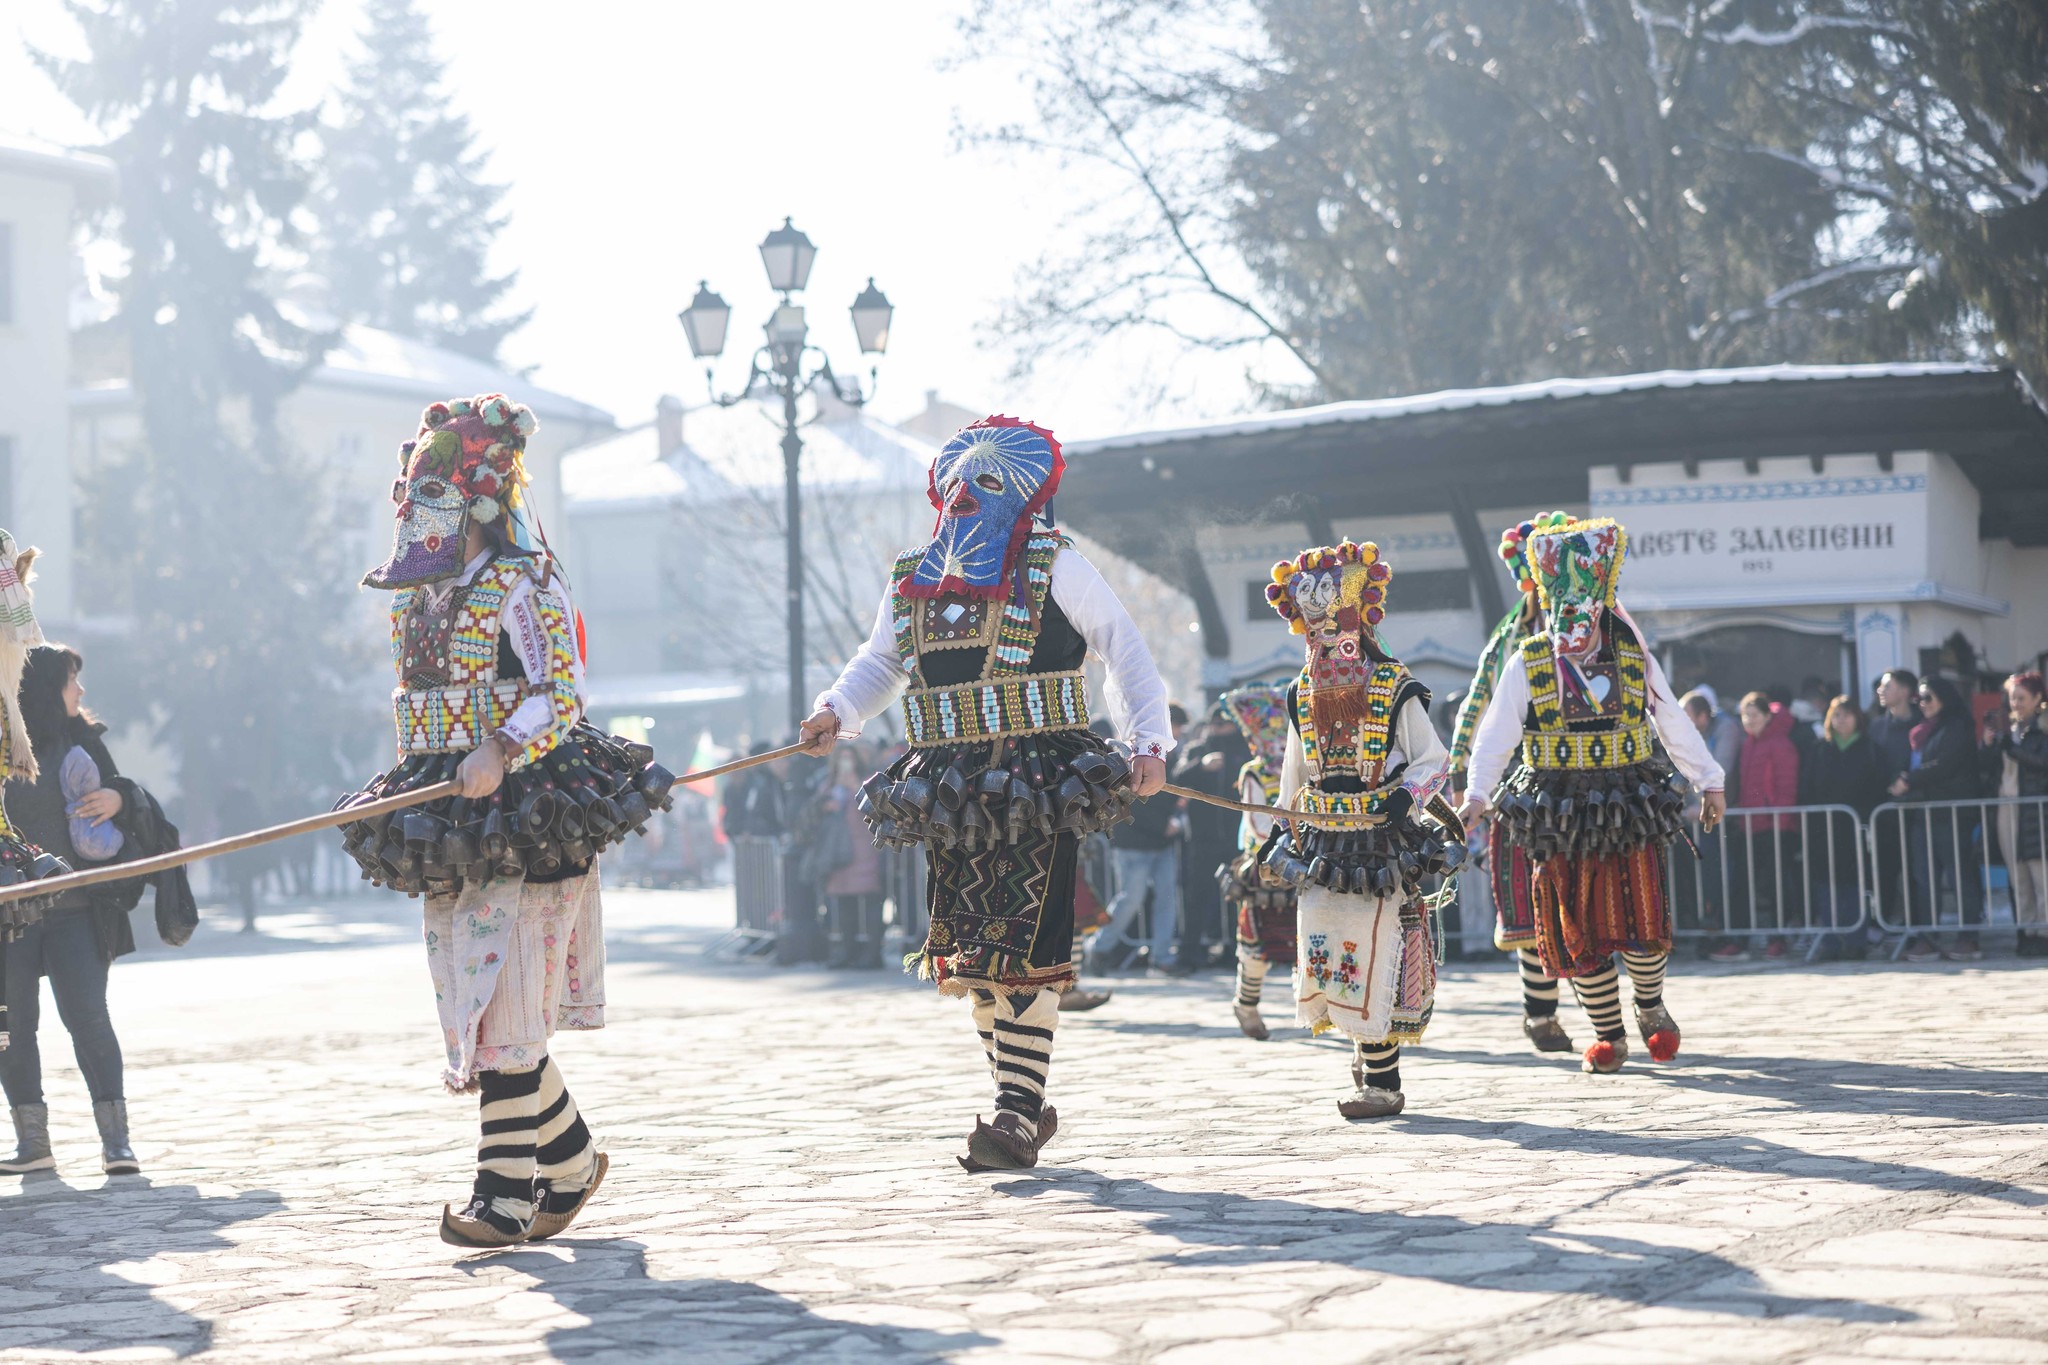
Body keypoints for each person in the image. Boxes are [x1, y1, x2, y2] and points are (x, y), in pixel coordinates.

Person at [334, 394, 675, 1245]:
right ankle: (572, 1159)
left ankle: (504, 1196)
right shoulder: (418, 598)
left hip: (531, 806)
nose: (420, 521)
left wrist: (499, 747)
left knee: (510, 998)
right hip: (448, 815)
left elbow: (562, 691)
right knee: (482, 1005)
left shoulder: (525, 582)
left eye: (437, 502)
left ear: (479, 502)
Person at [798, 415, 1172, 1171]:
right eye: (957, 482)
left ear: (1021, 493)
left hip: (1040, 779)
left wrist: (1149, 739)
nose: (967, 493)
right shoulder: (913, 576)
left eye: (988, 481)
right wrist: (836, 709)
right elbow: (881, 661)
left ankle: (1017, 1112)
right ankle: (1019, 1104)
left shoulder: (1056, 562)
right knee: (971, 951)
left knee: (1028, 940)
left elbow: (1122, 645)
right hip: (950, 788)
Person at [1462, 517, 1726, 1075]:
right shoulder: (1528, 659)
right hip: (1556, 814)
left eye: (1586, 601)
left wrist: (1710, 779)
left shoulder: (1632, 654)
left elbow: (1671, 719)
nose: (1575, 617)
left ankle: (1650, 1005)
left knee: (1642, 915)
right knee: (1574, 926)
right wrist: (1476, 795)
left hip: (1628, 805)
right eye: (1565, 603)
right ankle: (1609, 1036)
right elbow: (1495, 733)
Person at [1260, 540, 1461, 1117]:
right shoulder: (1301, 692)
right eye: (1313, 627)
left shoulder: (1393, 685)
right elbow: (1294, 772)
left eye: (1333, 625)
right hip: (1323, 841)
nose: (1323, 638)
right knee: (1329, 951)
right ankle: (1366, 1056)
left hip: (1380, 842)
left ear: (1356, 620)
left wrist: (1405, 797)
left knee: (1377, 949)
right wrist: (1280, 830)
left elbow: (1434, 761)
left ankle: (1382, 1083)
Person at [1450, 512, 1574, 1053]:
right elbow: (1476, 705)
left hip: (1595, 784)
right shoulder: (1508, 638)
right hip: (1523, 787)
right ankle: (1540, 1014)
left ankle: (1615, 1013)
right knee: (1528, 901)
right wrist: (1464, 777)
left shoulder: (1603, 629)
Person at [0, 539, 84, 1173]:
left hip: (51, 902)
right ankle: (34, 1143)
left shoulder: (29, 730)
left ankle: (65, 1144)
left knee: (31, 1018)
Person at [1217, 682, 1295, 1039]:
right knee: (1254, 946)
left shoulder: (1303, 768)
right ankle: (1246, 1005)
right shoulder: (1254, 772)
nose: (1277, 741)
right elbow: (1257, 822)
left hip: (1301, 864)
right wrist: (1290, 838)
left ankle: (1315, 1007)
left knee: (1306, 938)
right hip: (1263, 867)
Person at [1889, 676, 1985, 961]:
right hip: (1924, 811)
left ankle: (1968, 937)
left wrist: (1910, 780)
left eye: (1928, 697)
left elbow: (1945, 765)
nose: (1923, 703)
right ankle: (1928, 938)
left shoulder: (1958, 726)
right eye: (1919, 698)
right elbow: (1917, 764)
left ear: (1945, 697)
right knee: (1923, 876)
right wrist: (1905, 778)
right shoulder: (1921, 730)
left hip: (1952, 812)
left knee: (1959, 876)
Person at [1714, 691, 1801, 962]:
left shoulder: (1780, 743)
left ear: (1766, 716)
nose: (1749, 720)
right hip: (1749, 824)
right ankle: (1738, 940)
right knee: (1742, 884)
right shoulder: (1749, 744)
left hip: (1774, 826)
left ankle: (1779, 939)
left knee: (1776, 885)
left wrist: (1781, 821)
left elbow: (1787, 786)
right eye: (1745, 715)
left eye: (1754, 715)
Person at [1797, 695, 1886, 958]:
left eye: (1847, 715)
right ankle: (1831, 942)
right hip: (1823, 829)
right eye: (1836, 715)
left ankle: (1856, 941)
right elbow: (1806, 788)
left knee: (1855, 885)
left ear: (1858, 718)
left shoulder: (1870, 749)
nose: (1841, 720)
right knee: (1826, 886)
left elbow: (1878, 787)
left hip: (1857, 829)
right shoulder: (1819, 749)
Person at [1169, 706, 1246, 973]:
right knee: (1197, 896)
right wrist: (1202, 765)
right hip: (1203, 838)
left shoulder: (1243, 750)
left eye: (1223, 725)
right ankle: (1190, 953)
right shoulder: (1197, 749)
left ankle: (1236, 952)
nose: (1218, 729)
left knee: (1238, 897)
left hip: (1235, 838)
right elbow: (1178, 777)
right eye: (1214, 724)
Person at [1090, 770, 1184, 975]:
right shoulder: (1125, 763)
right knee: (1130, 900)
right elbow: (1126, 803)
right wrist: (1163, 825)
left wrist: (1177, 810)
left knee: (1167, 901)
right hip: (1131, 846)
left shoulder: (1165, 760)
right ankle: (1098, 948)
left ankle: (1162, 958)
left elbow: (1169, 795)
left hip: (1162, 845)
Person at [1992, 672, 2048, 956]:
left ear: (2038, 698)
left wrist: (2012, 749)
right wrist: (1989, 746)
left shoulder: (2043, 730)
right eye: (2012, 698)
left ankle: (2044, 931)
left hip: (2036, 808)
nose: (2016, 703)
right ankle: (2027, 932)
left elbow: (2042, 763)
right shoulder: (2011, 731)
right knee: (2018, 876)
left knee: (2041, 876)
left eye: (2021, 698)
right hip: (2009, 807)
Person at [817, 743, 885, 969]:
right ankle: (849, 951)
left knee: (871, 901)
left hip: (866, 847)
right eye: (842, 758)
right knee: (844, 903)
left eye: (849, 758)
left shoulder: (866, 781)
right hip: (839, 851)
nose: (846, 762)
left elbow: (876, 808)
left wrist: (855, 786)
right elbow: (816, 810)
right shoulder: (829, 784)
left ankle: (873, 953)